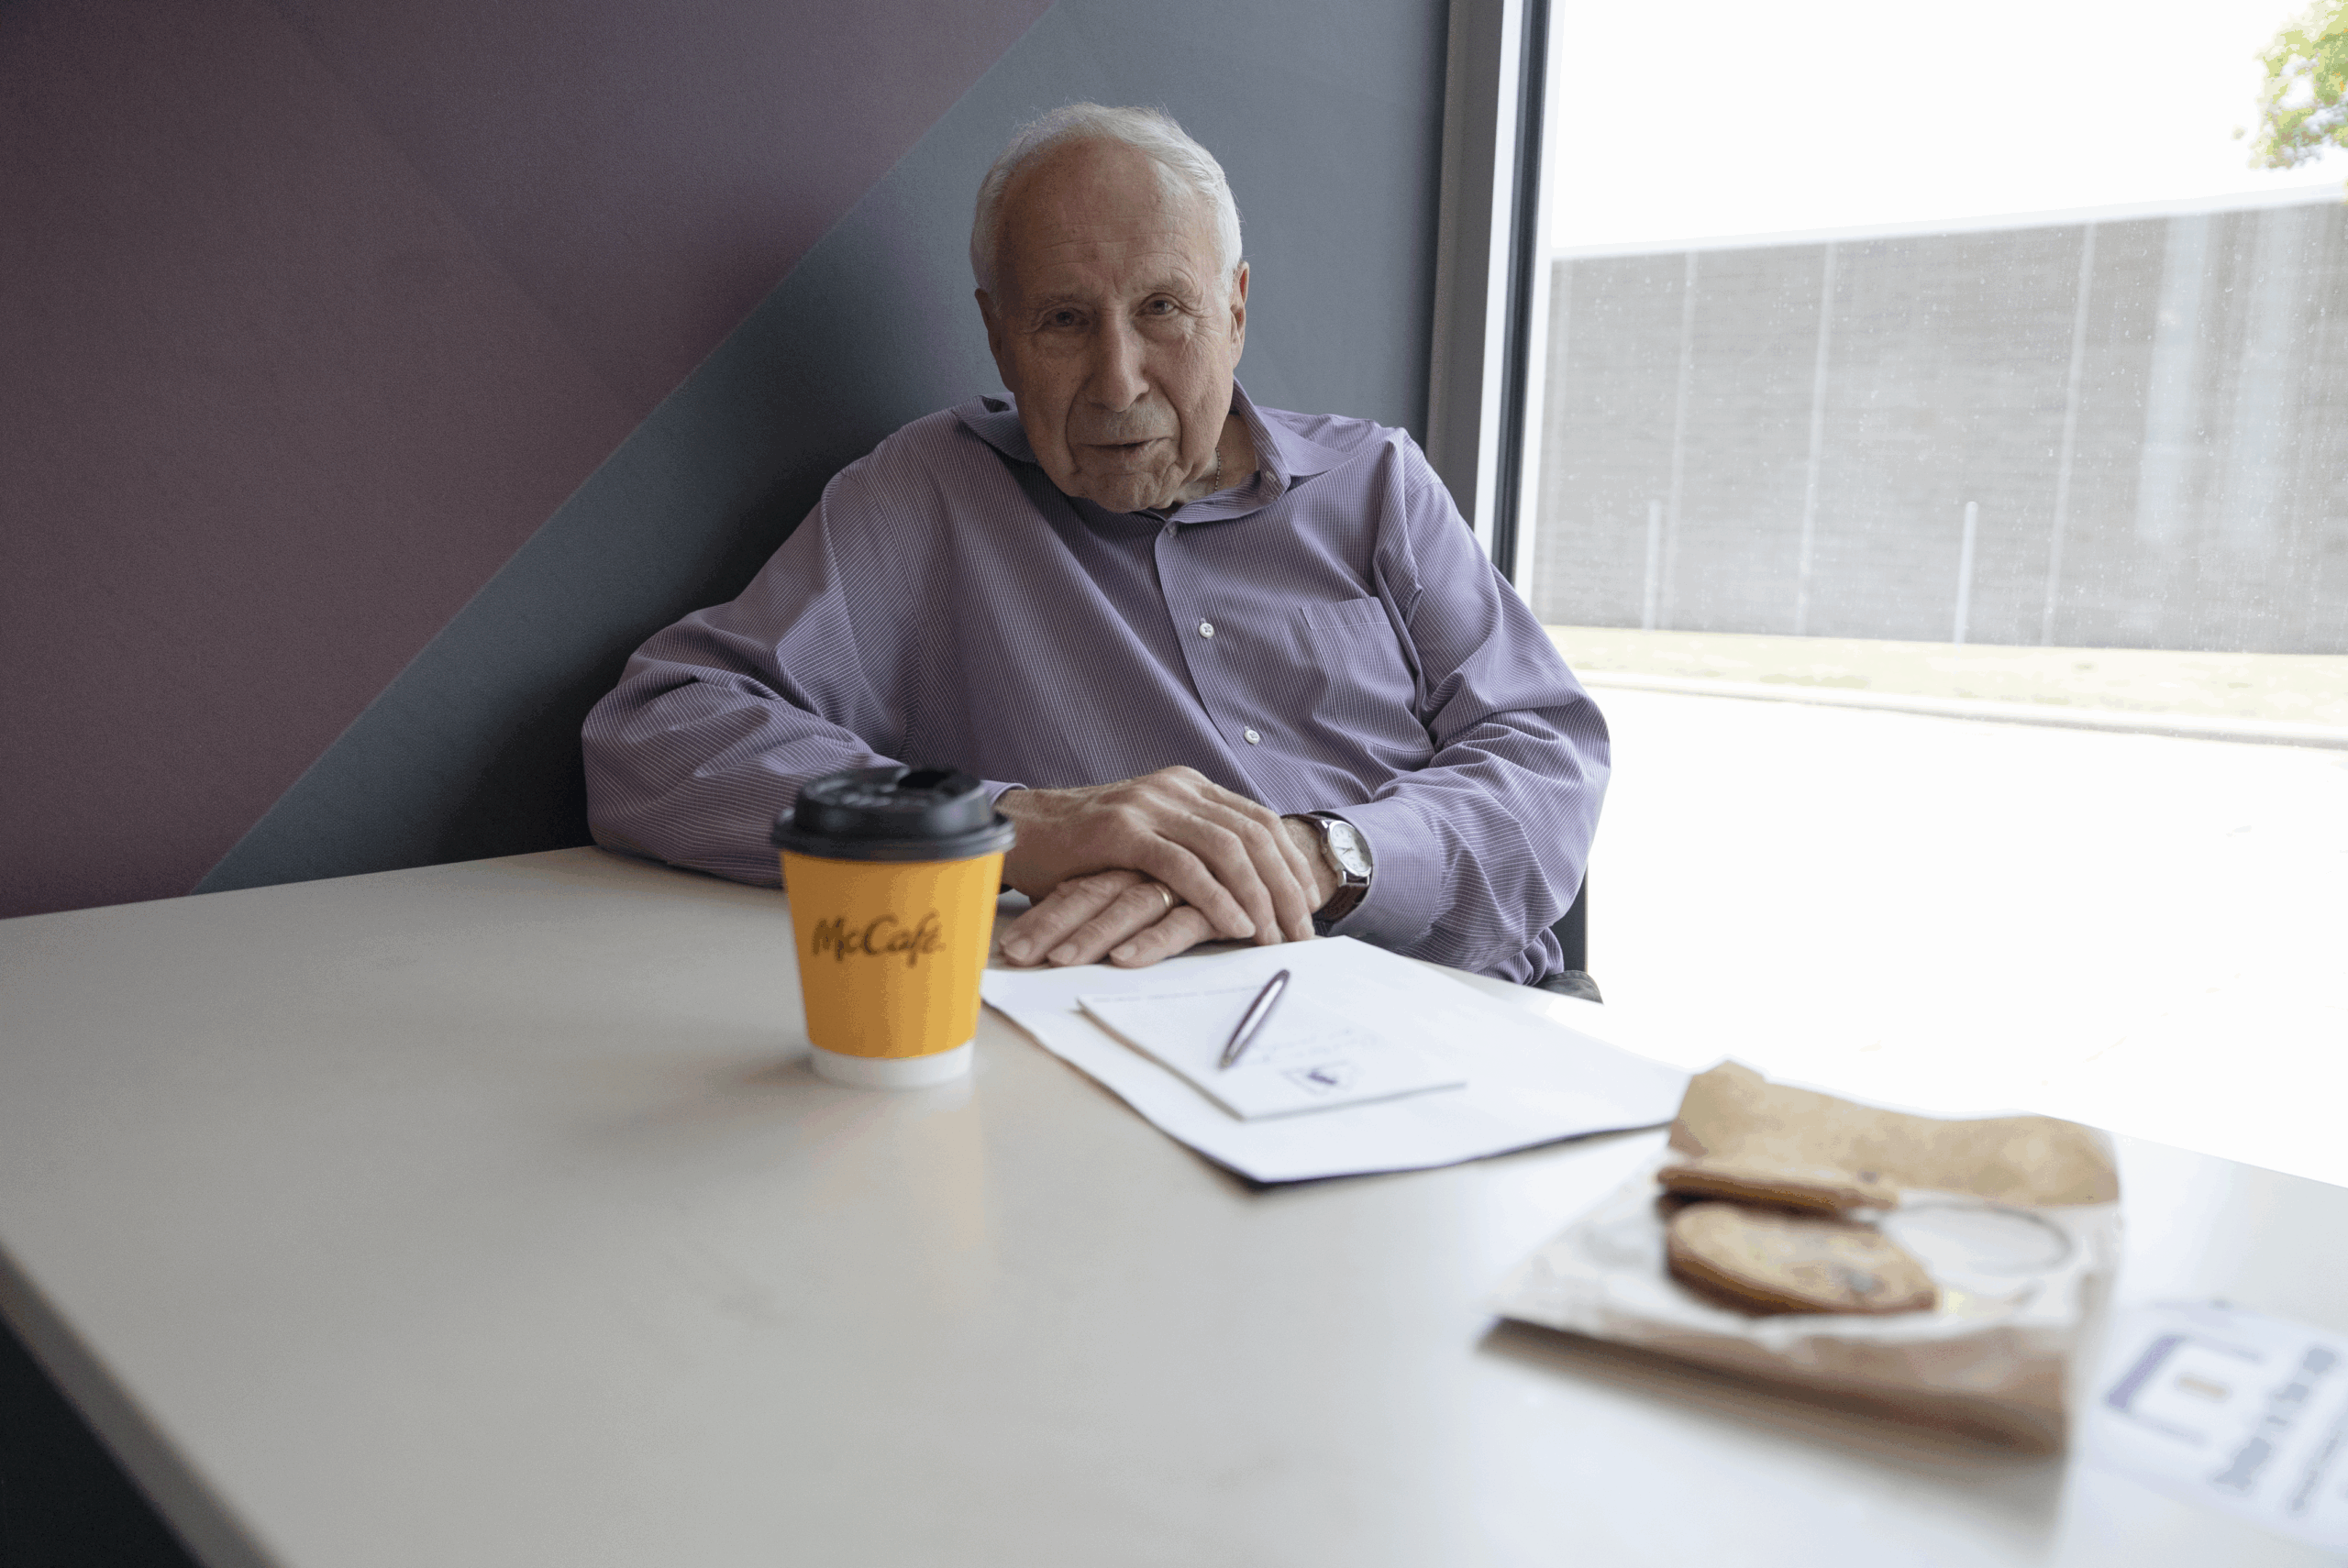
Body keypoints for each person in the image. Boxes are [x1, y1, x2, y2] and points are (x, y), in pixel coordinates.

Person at [581, 104, 1607, 984]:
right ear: (999, 336)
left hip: (1467, 1012)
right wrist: (1009, 828)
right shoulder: (932, 493)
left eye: (1164, 309)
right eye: (1065, 320)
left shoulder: (1377, 483)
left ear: (1235, 312)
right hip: (1141, 1043)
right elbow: (657, 738)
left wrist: (1324, 857)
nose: (1117, 381)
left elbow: (1547, 756)